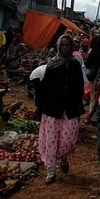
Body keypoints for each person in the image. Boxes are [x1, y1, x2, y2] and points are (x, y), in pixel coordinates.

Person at [35, 34, 84, 185]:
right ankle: (51, 170)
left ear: (71, 47)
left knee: (67, 140)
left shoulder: (75, 65)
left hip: (70, 109)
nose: (65, 48)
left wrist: (78, 106)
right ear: (58, 46)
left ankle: (63, 157)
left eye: (67, 45)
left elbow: (79, 87)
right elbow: (43, 88)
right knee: (51, 140)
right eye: (62, 45)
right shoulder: (52, 65)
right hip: (52, 108)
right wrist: (39, 106)